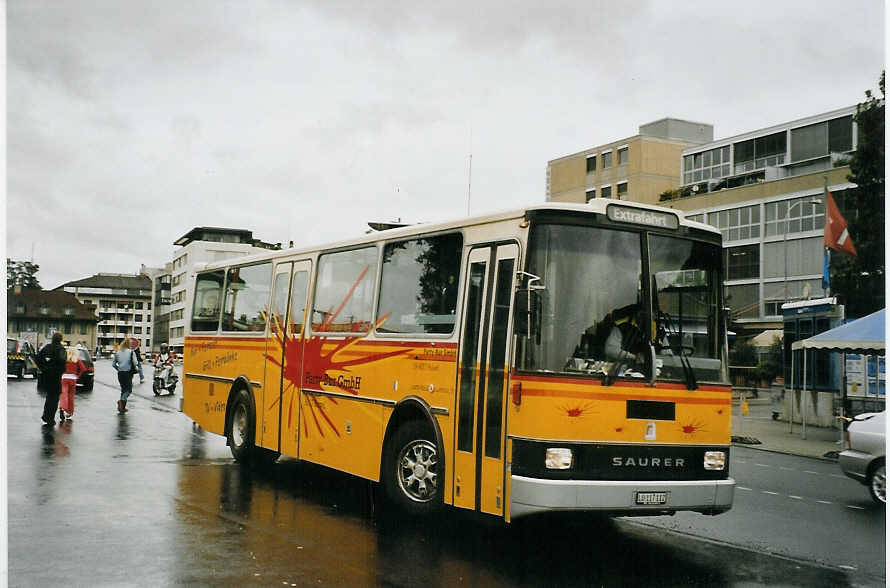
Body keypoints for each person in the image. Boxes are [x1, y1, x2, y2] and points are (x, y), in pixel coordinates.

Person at [38, 332, 67, 425]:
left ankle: (45, 415)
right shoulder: (61, 349)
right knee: (54, 398)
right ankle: (50, 418)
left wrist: (43, 368)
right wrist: (61, 370)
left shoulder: (46, 347)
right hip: (56, 377)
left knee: (49, 396)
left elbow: (38, 358)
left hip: (46, 376)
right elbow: (62, 361)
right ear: (60, 339)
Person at [59, 347, 88, 421]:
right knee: (71, 396)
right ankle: (69, 413)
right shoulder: (77, 360)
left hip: (64, 378)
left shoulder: (65, 360)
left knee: (64, 394)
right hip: (73, 379)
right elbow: (83, 369)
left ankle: (62, 407)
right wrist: (78, 376)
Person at [112, 337, 137, 413]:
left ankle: (122, 407)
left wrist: (119, 368)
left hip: (120, 373)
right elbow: (135, 363)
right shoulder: (131, 352)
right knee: (128, 390)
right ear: (129, 344)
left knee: (123, 389)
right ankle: (121, 401)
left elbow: (113, 364)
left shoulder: (117, 352)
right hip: (128, 373)